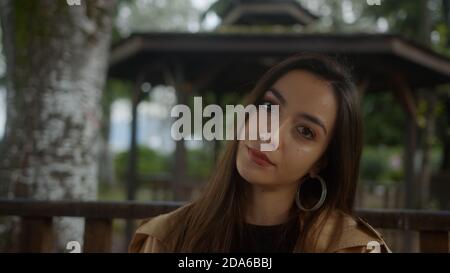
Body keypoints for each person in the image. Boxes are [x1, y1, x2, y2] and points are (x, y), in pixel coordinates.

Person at [129, 53, 391, 253]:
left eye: (305, 131)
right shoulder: (166, 238)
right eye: (268, 107)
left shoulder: (354, 248)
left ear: (322, 160)